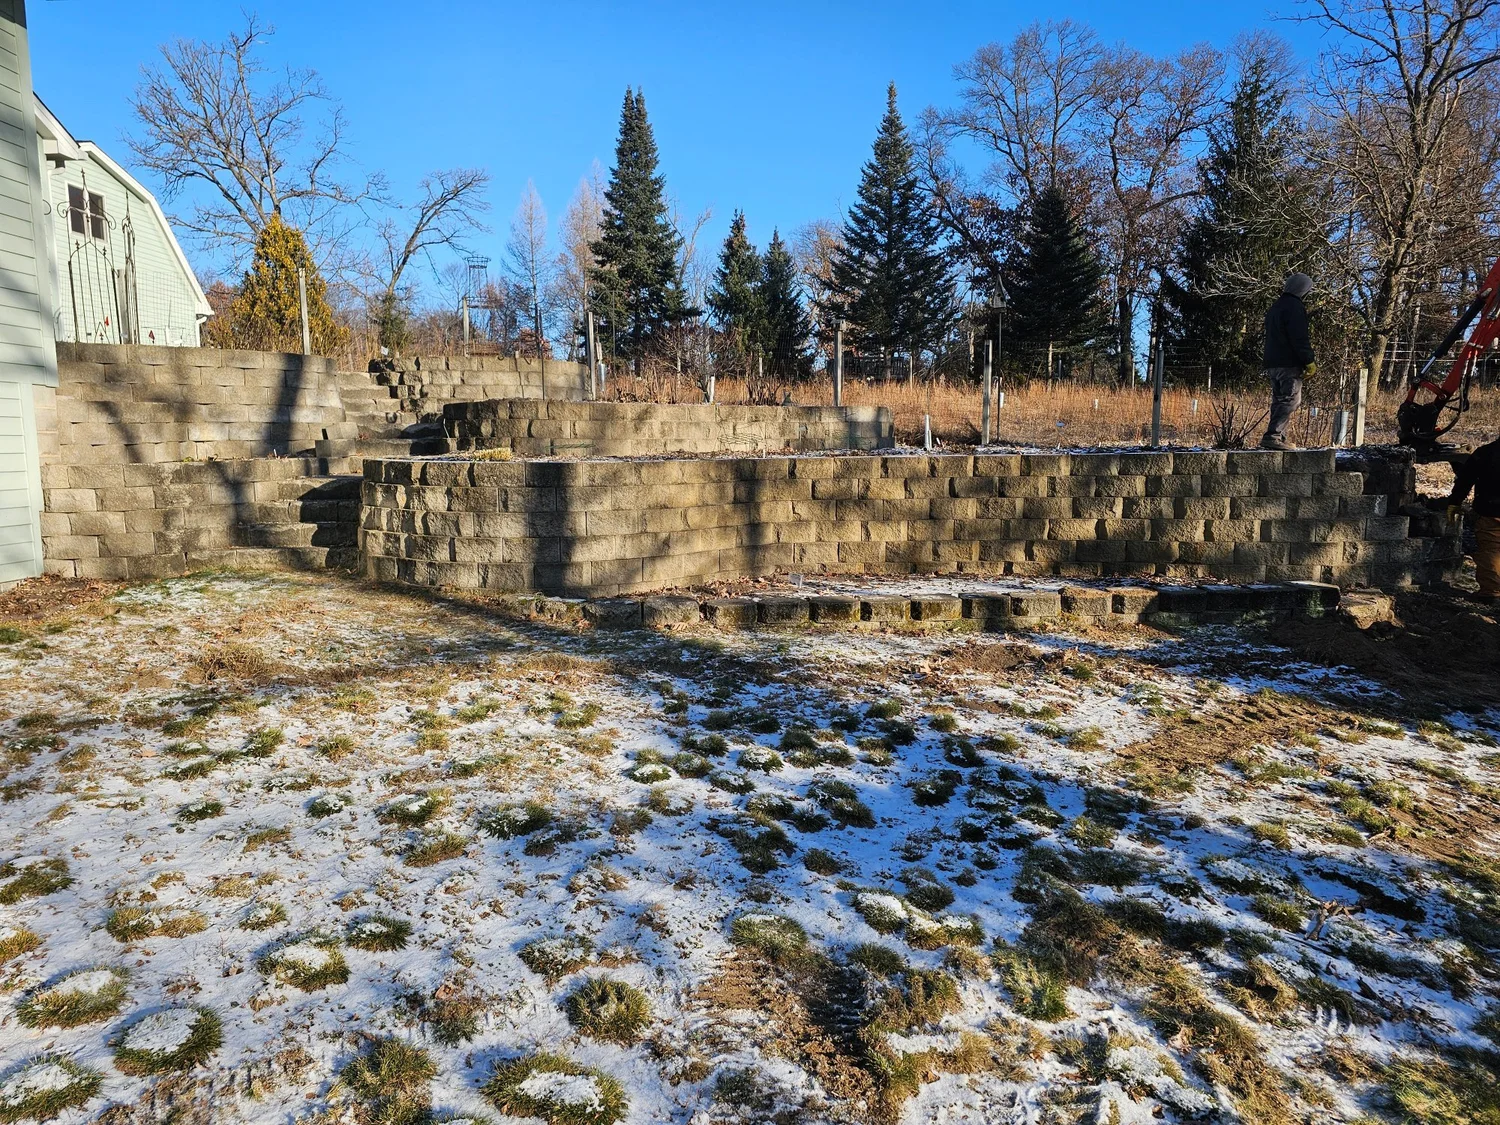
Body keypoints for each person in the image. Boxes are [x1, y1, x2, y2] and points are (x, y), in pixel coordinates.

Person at [1260, 272, 1316, 451]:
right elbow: (1299, 337)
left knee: (1279, 399)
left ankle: (1278, 437)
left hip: (1272, 362)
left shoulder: (1276, 307)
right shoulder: (1294, 307)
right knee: (1290, 400)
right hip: (1289, 363)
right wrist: (1308, 360)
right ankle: (1274, 436)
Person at [1445, 435, 1500, 605]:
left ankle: (1492, 593)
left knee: (1491, 551)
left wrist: (1454, 502)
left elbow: (1465, 480)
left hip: (1491, 512)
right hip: (1491, 510)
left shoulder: (1486, 453)